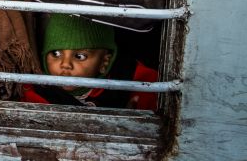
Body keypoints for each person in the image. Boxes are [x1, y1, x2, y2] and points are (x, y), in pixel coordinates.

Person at [21, 14, 158, 110]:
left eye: (80, 56)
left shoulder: (130, 80)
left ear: (104, 62)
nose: (65, 64)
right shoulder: (36, 90)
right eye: (56, 53)